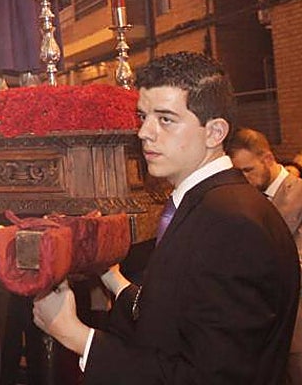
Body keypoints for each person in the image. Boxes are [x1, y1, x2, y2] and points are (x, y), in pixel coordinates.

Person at [34, 52, 300, 383]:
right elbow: (183, 313)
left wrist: (76, 336)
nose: (145, 132)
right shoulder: (208, 203)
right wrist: (112, 278)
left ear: (214, 132)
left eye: (166, 119)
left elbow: (213, 376)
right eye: (143, 116)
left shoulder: (231, 223)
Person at [228, 126, 302, 383]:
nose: (244, 178)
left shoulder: (300, 193)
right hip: (264, 331)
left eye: (248, 170)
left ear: (268, 159)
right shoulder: (247, 201)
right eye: (239, 173)